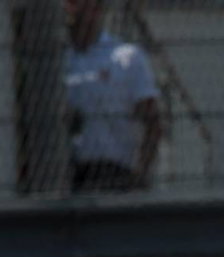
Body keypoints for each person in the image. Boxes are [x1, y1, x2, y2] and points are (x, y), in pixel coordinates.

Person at [64, 0, 162, 192]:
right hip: (72, 172)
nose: (73, 11)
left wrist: (141, 174)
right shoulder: (61, 60)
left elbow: (153, 122)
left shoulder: (125, 57)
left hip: (116, 170)